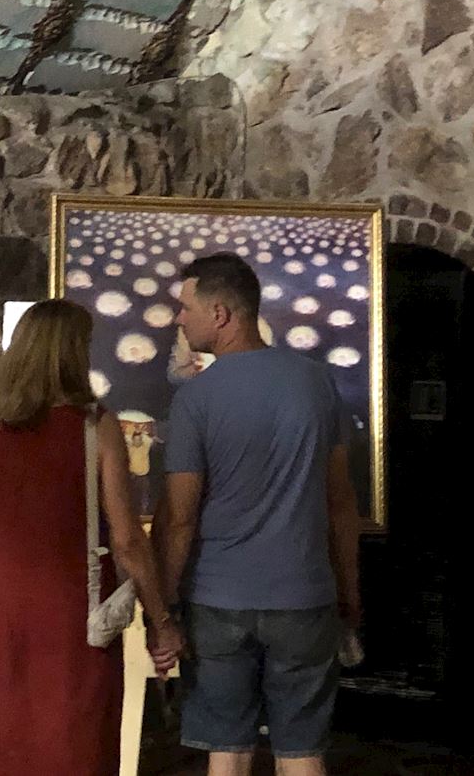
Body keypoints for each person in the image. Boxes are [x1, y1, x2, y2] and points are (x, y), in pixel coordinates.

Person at [152, 254, 362, 776]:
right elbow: (341, 503)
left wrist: (166, 607)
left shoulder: (195, 399)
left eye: (186, 308)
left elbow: (180, 518)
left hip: (217, 600)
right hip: (305, 595)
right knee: (302, 751)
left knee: (227, 750)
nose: (180, 319)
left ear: (220, 314)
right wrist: (350, 594)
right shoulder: (317, 383)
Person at [0, 299, 184, 776]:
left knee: (9, 751)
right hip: (75, 618)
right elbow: (126, 539)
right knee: (75, 747)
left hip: (5, 617)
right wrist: (160, 621)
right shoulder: (94, 426)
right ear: (72, 353)